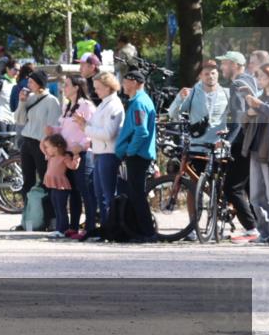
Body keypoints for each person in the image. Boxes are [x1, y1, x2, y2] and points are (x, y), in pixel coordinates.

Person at [216, 51, 261, 242]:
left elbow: (239, 115)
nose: (222, 68)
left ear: (235, 65)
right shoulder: (252, 81)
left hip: (243, 142)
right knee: (250, 187)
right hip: (256, 141)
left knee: (231, 187)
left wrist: (229, 140)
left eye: (225, 64)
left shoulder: (237, 84)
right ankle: (261, 227)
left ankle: (251, 229)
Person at [46, 76, 95, 238]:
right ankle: (72, 227)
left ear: (76, 87)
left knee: (85, 191)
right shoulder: (67, 106)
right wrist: (53, 130)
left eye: (66, 85)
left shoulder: (86, 106)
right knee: (73, 191)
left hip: (82, 153)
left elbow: (91, 130)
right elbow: (64, 129)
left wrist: (81, 145)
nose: (63, 88)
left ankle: (90, 228)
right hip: (67, 153)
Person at [77, 72, 124, 240]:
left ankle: (111, 229)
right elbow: (98, 128)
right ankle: (105, 227)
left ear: (108, 87)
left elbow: (108, 133)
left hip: (108, 153)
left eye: (98, 88)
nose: (95, 91)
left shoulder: (114, 105)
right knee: (99, 194)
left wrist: (86, 129)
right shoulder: (104, 104)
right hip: (99, 152)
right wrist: (86, 124)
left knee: (107, 194)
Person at [114, 69, 157, 242]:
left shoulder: (139, 103)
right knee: (135, 193)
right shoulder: (138, 101)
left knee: (137, 194)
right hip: (138, 154)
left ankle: (147, 232)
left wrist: (130, 151)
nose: (123, 84)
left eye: (125, 81)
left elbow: (142, 131)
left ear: (134, 82)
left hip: (137, 155)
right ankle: (139, 230)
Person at [14, 70, 62, 202]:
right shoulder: (30, 98)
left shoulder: (52, 101)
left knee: (44, 179)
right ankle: (28, 217)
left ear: (39, 83)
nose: (28, 84)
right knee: (27, 180)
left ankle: (48, 216)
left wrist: (48, 147)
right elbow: (19, 119)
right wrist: (22, 102)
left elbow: (53, 125)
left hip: (42, 144)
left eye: (31, 82)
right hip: (27, 142)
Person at [166, 60, 229, 151]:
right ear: (200, 76)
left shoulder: (227, 94)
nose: (210, 76)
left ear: (218, 74)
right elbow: (172, 114)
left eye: (213, 73)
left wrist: (228, 136)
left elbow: (237, 121)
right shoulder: (192, 93)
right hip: (197, 149)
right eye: (206, 74)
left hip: (218, 151)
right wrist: (179, 98)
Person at [242, 63, 269, 244]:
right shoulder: (259, 97)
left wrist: (259, 106)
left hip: (268, 153)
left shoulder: (261, 100)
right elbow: (244, 122)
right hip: (255, 150)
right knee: (255, 197)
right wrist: (248, 113)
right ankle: (265, 232)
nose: (258, 80)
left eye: (261, 76)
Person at [41, 133, 81, 238]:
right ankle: (59, 229)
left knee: (61, 208)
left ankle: (63, 229)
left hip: (61, 186)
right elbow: (42, 147)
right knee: (56, 208)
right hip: (54, 186)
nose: (46, 149)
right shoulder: (50, 156)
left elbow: (73, 166)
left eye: (48, 147)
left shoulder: (64, 157)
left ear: (56, 148)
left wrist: (76, 155)